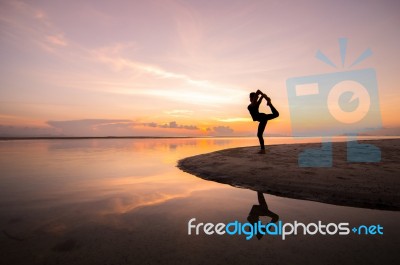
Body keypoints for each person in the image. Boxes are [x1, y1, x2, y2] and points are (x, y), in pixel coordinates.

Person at [248, 90, 279, 154]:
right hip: (263, 118)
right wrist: (266, 98)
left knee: (259, 135)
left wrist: (265, 97)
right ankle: (270, 104)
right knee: (276, 114)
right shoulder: (252, 105)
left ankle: (263, 150)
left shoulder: (253, 104)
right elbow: (262, 95)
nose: (250, 99)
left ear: (253, 98)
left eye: (251, 98)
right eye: (250, 98)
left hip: (262, 118)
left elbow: (258, 91)